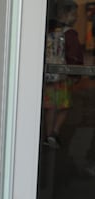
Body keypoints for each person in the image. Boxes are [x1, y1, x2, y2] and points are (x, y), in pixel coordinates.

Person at [43, 0, 83, 151]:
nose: (76, 17)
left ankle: (47, 134)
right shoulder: (70, 34)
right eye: (74, 14)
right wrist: (76, 73)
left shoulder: (49, 29)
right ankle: (55, 131)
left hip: (49, 75)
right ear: (66, 14)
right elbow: (75, 55)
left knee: (50, 107)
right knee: (64, 107)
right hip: (62, 77)